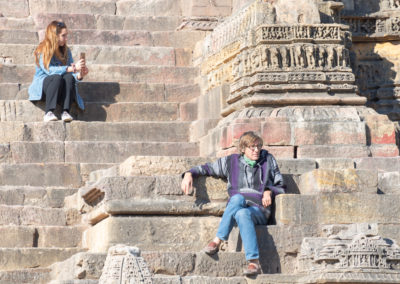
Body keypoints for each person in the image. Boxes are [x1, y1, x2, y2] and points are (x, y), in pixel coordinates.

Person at [181, 131, 285, 276]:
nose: (256, 150)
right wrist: (188, 173)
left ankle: (220, 243)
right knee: (238, 202)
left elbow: (280, 184)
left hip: (259, 209)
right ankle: (250, 259)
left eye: (259, 146)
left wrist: (269, 190)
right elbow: (207, 168)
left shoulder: (268, 159)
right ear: (243, 149)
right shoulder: (232, 161)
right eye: (252, 147)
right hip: (238, 207)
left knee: (242, 207)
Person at [28, 21, 89, 122]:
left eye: (66, 35)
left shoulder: (66, 51)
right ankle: (48, 112)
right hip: (45, 88)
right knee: (56, 77)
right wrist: (70, 68)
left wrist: (79, 75)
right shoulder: (42, 49)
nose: (66, 38)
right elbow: (49, 70)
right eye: (63, 35)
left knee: (68, 77)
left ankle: (65, 111)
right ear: (54, 36)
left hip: (61, 88)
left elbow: (71, 74)